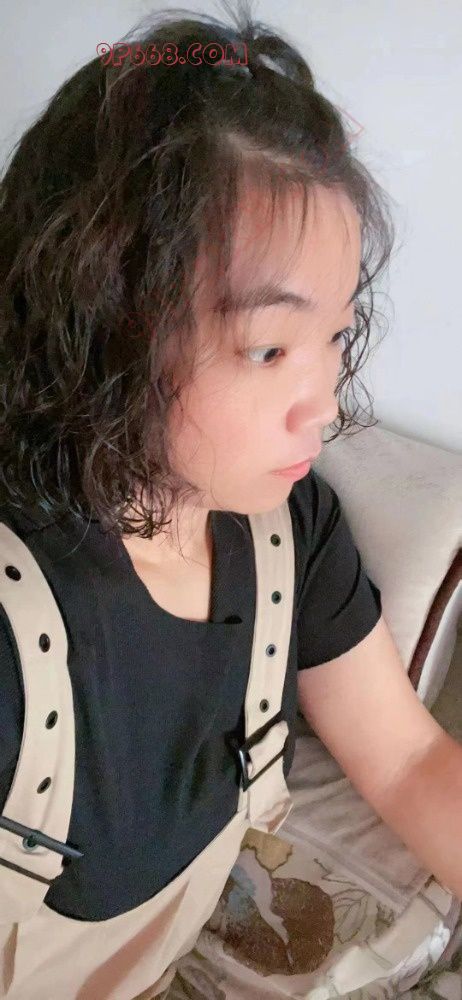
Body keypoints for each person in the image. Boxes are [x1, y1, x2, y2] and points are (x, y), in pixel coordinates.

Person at [4, 2, 458, 998]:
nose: (325, 404)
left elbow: (408, 759)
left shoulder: (290, 528)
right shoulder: (16, 632)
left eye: (336, 337)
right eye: (268, 348)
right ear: (103, 318)